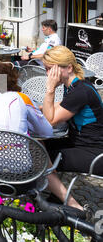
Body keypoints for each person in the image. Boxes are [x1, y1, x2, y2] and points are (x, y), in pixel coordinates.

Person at [0, 62, 83, 210]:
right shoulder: (22, 98)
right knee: (36, 150)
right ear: (12, 79)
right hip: (20, 173)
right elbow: (47, 132)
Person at [42, 45, 103, 181]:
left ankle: (62, 198)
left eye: (51, 69)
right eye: (46, 69)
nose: (48, 74)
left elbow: (48, 122)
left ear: (69, 68)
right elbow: (64, 104)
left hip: (94, 152)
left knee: (38, 157)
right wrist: (37, 107)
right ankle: (56, 195)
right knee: (40, 145)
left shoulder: (80, 91)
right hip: (79, 143)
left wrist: (50, 89)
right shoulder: (76, 85)